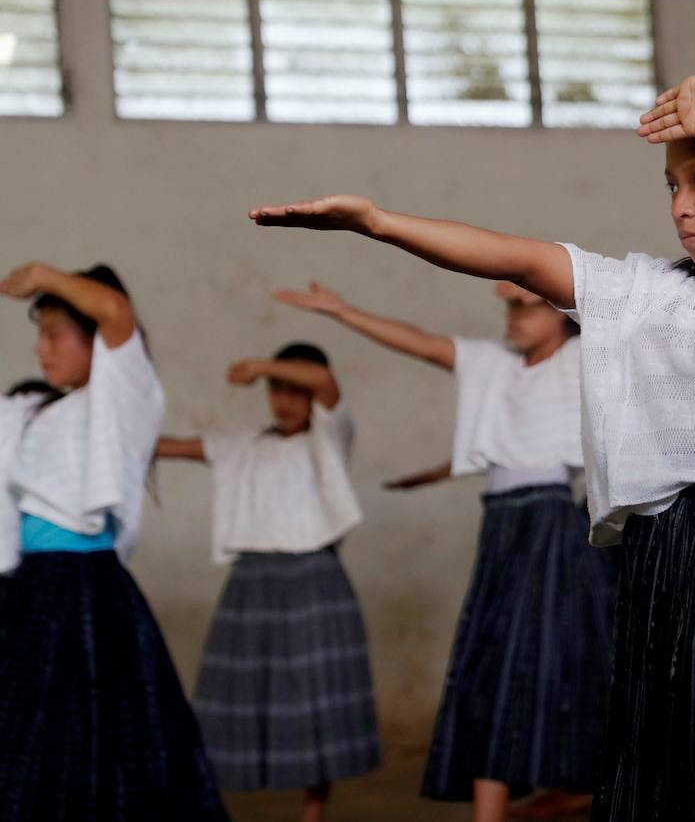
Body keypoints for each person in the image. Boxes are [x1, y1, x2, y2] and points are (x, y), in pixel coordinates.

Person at [249, 71, 695, 820]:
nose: (681, 204)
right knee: (676, 757)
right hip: (662, 552)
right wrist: (377, 222)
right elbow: (518, 259)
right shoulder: (644, 293)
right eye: (671, 185)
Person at [274, 280, 613, 822]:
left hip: (551, 522)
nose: (513, 317)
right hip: (502, 524)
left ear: (560, 315)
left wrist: (544, 282)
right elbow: (422, 343)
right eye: (509, 307)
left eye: (527, 306)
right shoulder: (494, 363)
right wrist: (342, 310)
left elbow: (614, 326)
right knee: (492, 655)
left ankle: (564, 789)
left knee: (536, 654)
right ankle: (525, 798)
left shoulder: (583, 357)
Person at [0, 262, 227, 821]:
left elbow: (115, 311)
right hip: (28, 587)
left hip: (84, 586)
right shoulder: (33, 412)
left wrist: (43, 275)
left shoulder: (122, 393)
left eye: (54, 335)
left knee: (100, 735)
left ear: (95, 341)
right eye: (39, 336)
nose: (41, 350)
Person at [157, 342, 381, 822]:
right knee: (239, 692)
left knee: (313, 697)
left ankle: (313, 810)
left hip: (313, 580)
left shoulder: (330, 434)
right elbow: (172, 447)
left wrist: (261, 366)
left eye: (296, 390)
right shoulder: (244, 445)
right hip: (251, 582)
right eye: (276, 389)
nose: (285, 400)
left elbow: (325, 382)